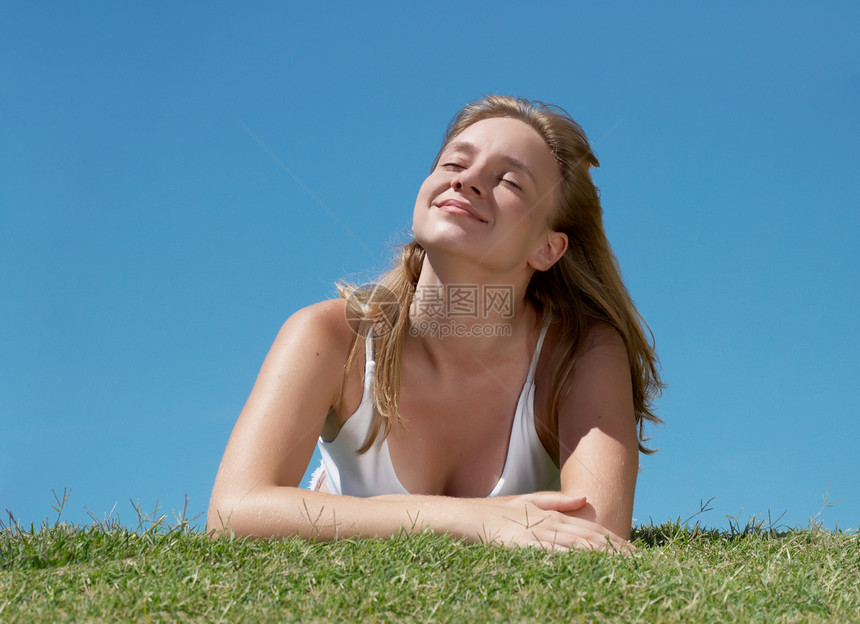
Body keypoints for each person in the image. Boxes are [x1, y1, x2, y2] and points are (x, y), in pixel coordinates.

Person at [206, 95, 662, 552]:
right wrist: (466, 518)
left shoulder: (580, 353)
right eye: (453, 164)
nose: (467, 181)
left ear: (548, 248)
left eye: (509, 181)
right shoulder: (329, 336)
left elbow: (597, 530)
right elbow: (234, 510)